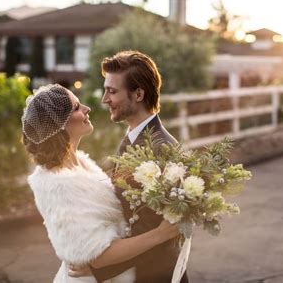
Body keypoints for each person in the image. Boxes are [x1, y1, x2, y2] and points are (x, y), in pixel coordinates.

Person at [22, 83, 179, 283]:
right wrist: (161, 233)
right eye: (77, 107)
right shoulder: (58, 186)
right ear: (59, 123)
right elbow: (99, 257)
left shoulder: (79, 163)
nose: (87, 109)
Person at [86, 51, 189, 283]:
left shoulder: (160, 148)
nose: (104, 99)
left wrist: (98, 268)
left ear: (139, 94)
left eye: (112, 91)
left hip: (154, 275)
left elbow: (162, 234)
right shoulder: (134, 139)